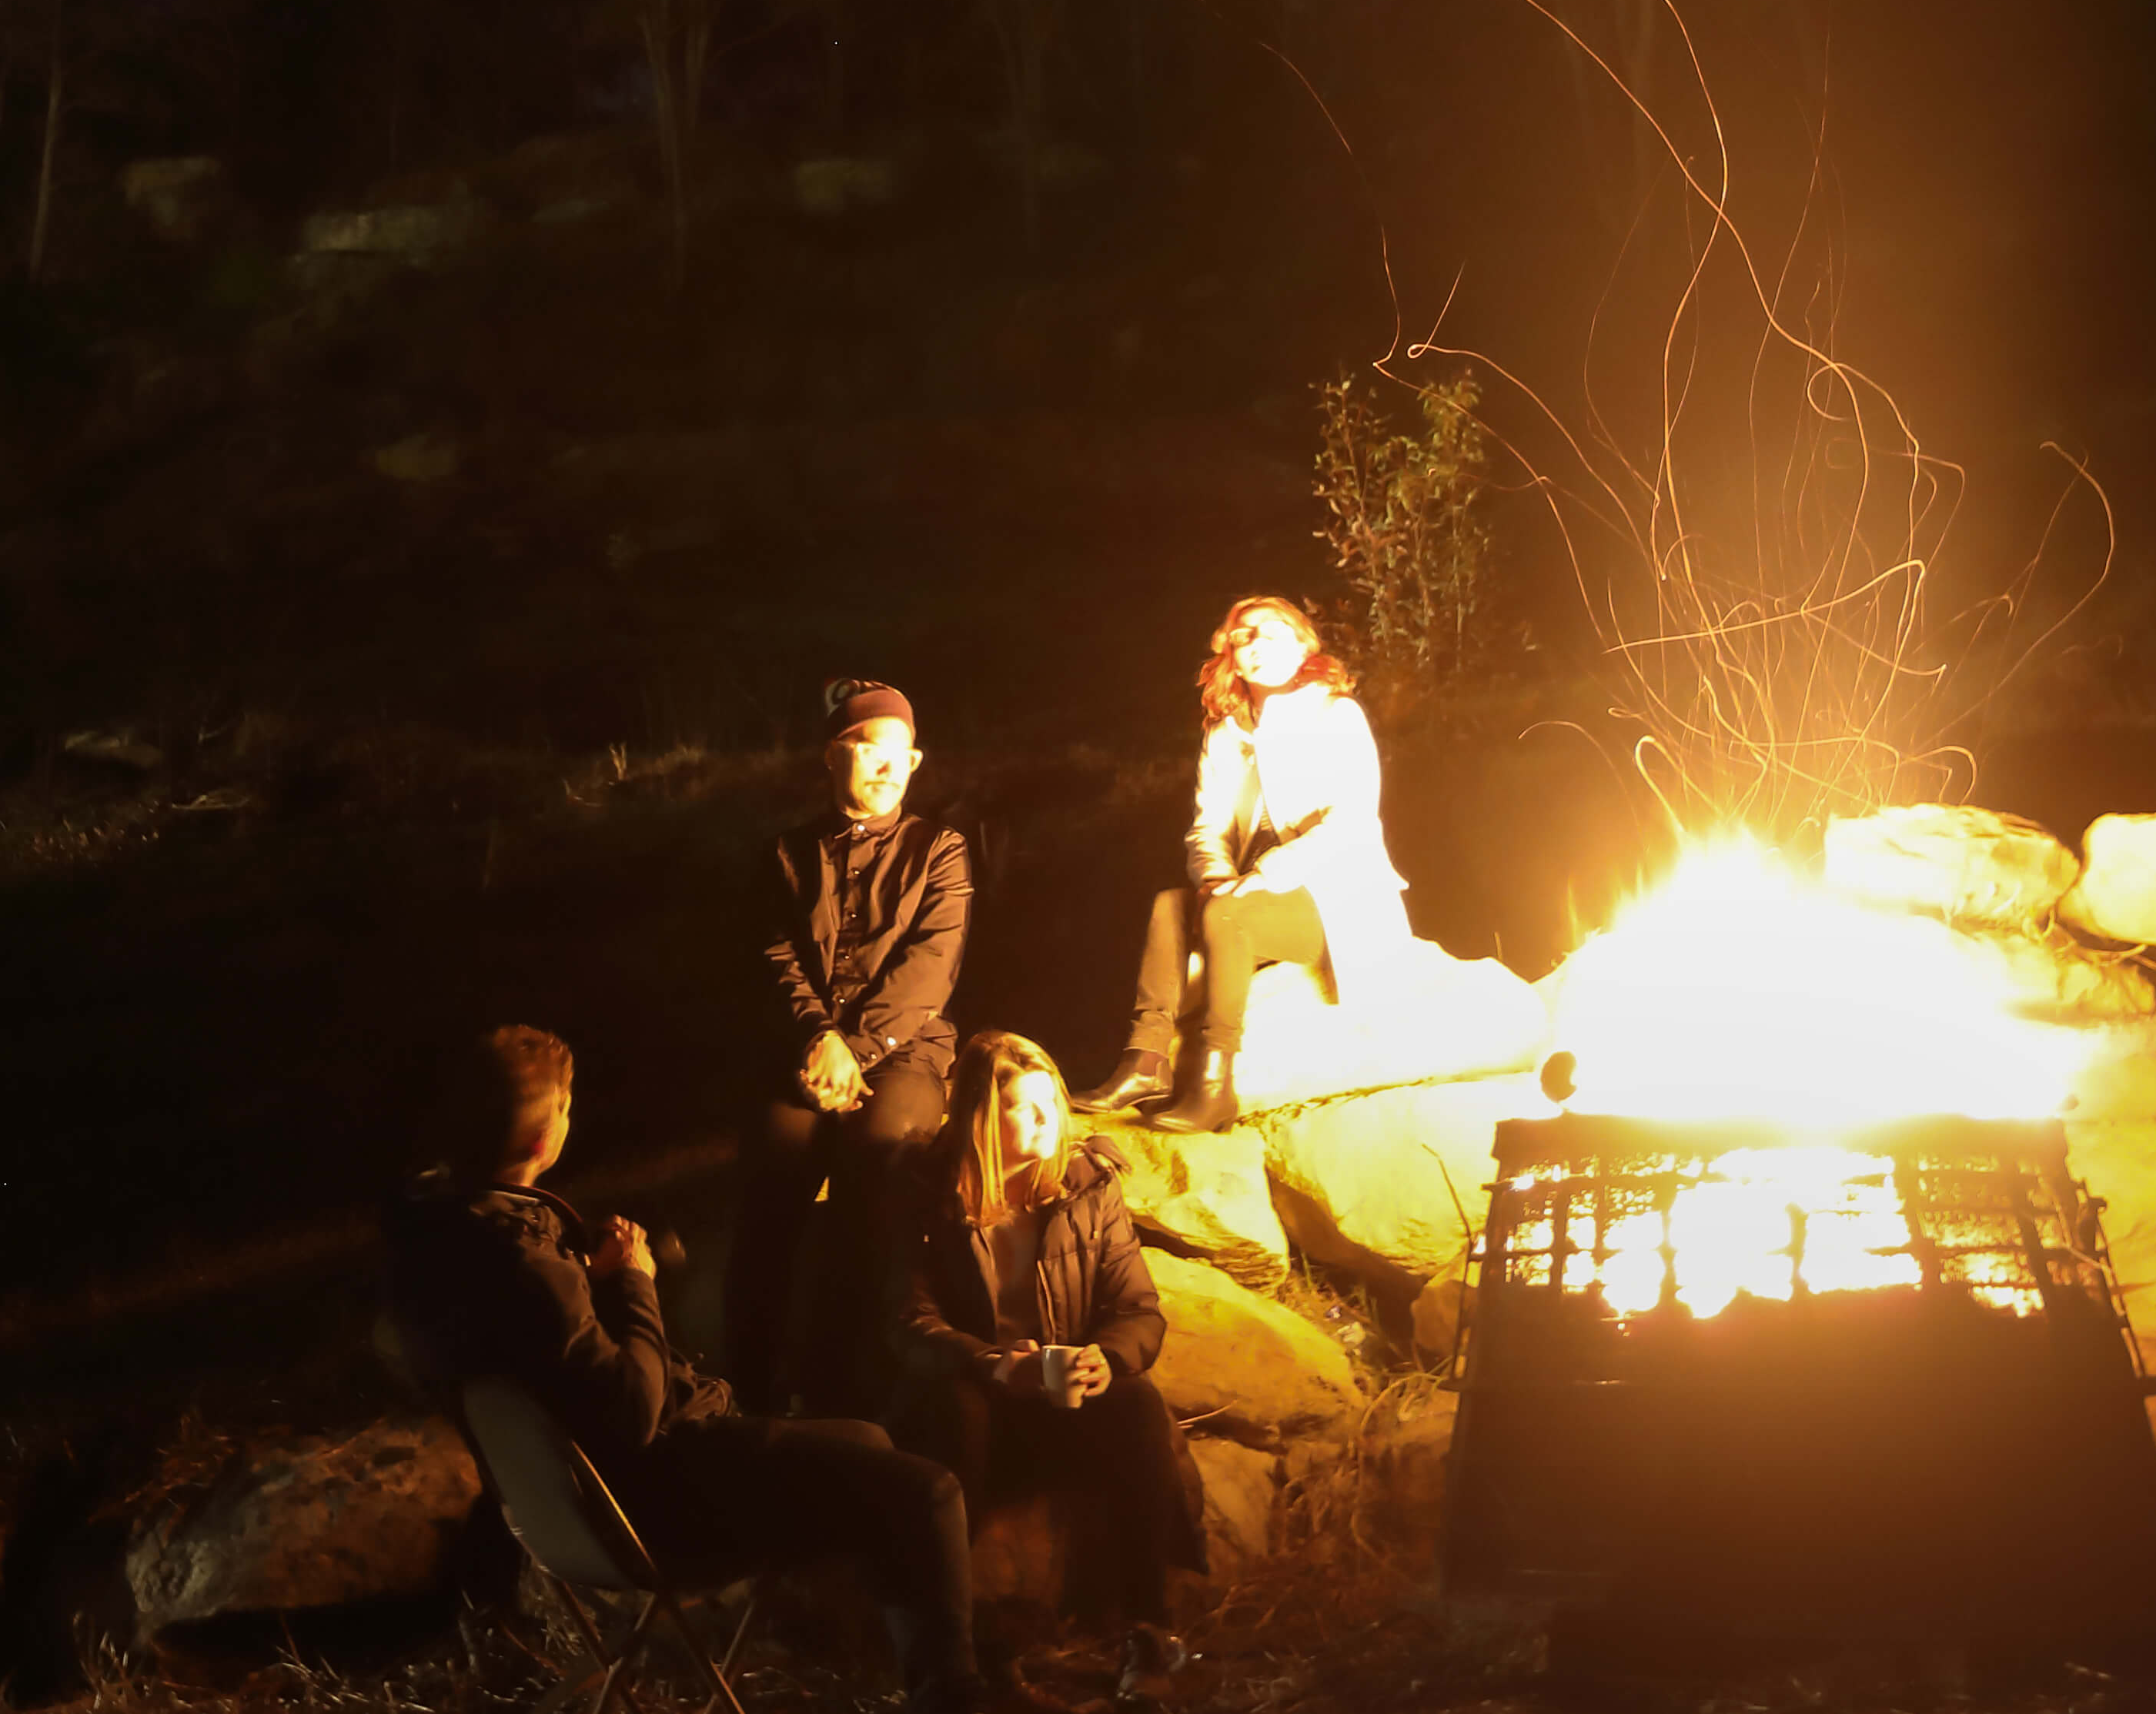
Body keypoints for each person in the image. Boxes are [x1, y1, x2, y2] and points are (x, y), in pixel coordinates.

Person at [383, 1022, 992, 1714]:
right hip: (655, 1504)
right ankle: (955, 1698)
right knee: (929, 1492)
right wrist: (638, 1283)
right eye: (565, 1107)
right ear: (539, 1141)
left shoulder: (442, 1235)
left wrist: (588, 1277)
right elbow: (633, 1413)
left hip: (576, 1508)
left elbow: (537, 1346)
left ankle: (899, 1664)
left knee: (868, 1445)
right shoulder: (526, 1263)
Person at [893, 1031, 1203, 1682]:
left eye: (1051, 1105)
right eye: (1025, 1109)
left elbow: (1139, 1308)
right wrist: (997, 1364)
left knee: (1138, 1405)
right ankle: (949, 1650)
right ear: (983, 1119)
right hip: (982, 1405)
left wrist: (1106, 1359)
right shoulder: (924, 1195)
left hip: (1061, 1400)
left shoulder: (1087, 1187)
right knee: (962, 1410)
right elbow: (909, 1322)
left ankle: (1147, 1630)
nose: (1048, 1121)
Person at [733, 677, 972, 1414]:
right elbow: (775, 956)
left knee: (882, 1162)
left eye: (901, 753)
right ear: (833, 756)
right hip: (812, 1048)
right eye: (869, 749)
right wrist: (816, 1036)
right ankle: (750, 1385)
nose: (886, 766)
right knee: (774, 1166)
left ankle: (870, 1385)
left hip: (903, 1047)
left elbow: (930, 966)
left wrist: (855, 1047)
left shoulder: (941, 850)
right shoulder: (787, 849)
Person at [1071, 596, 1401, 1133]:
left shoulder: (1336, 714)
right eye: (1244, 636)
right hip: (1249, 892)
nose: (1257, 643)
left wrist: (1263, 877)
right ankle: (1146, 1060)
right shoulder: (1225, 734)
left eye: (1273, 632)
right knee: (1170, 905)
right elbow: (1207, 828)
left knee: (1229, 915)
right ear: (1231, 657)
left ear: (1303, 647)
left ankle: (1214, 1084)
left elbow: (1352, 819)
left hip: (1334, 897)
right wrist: (1218, 877)